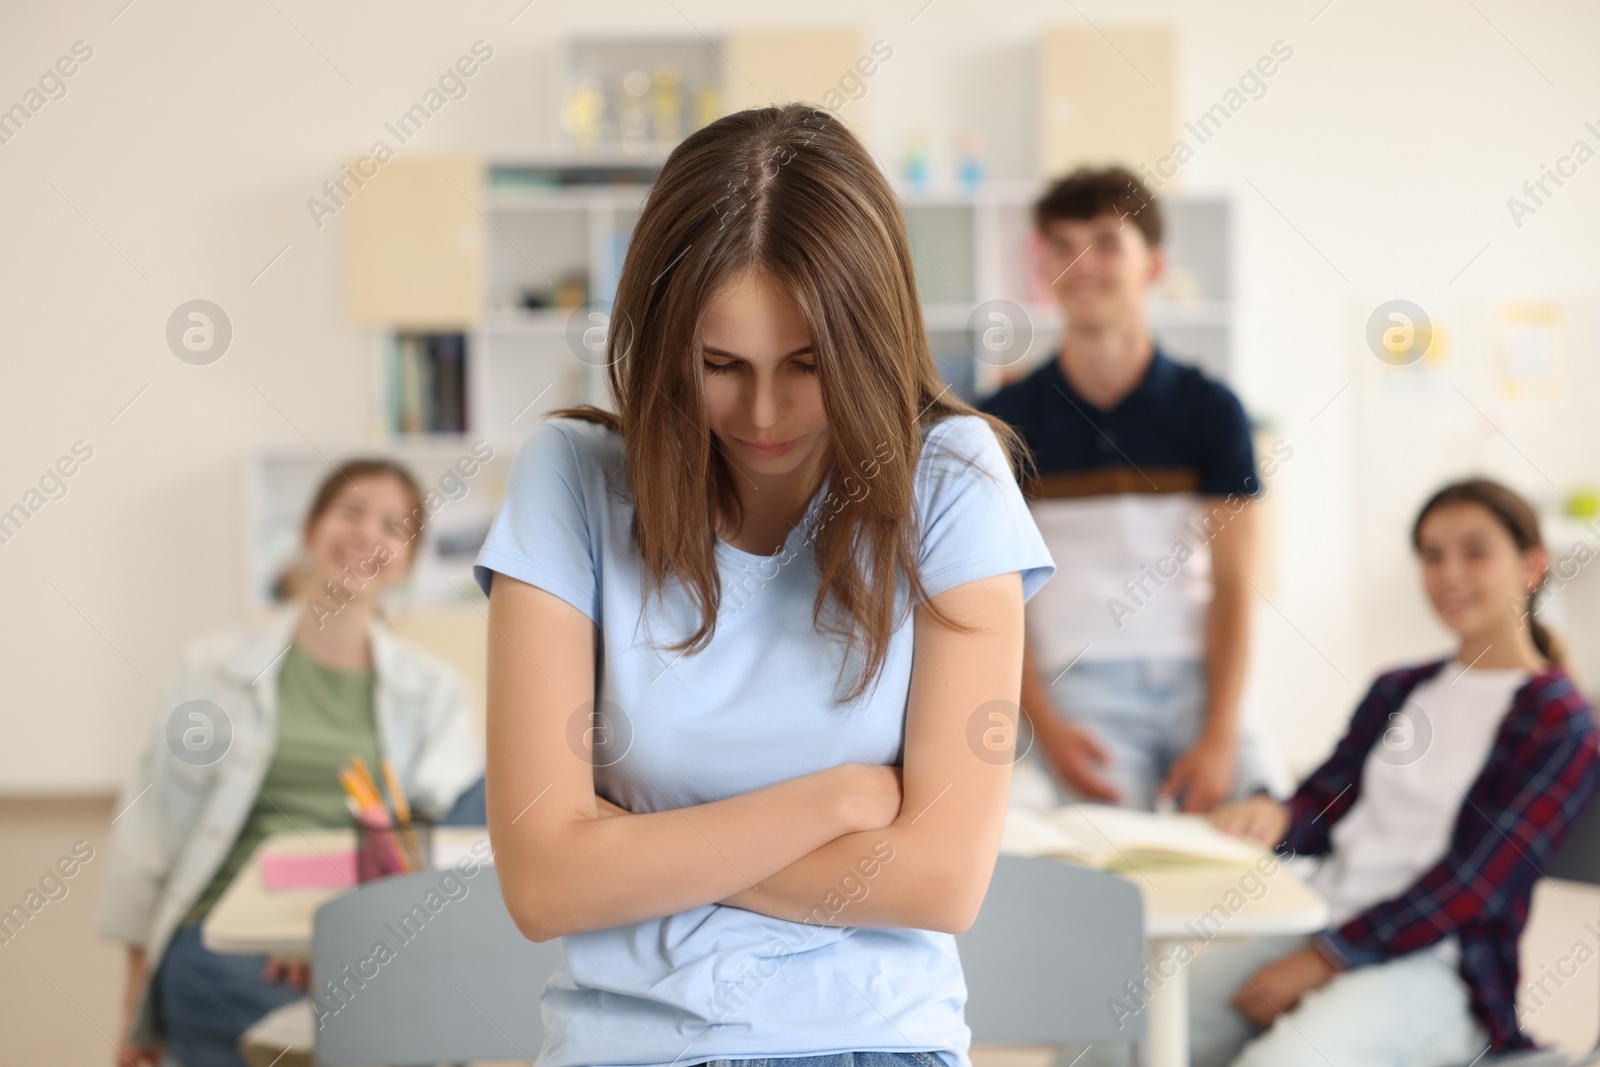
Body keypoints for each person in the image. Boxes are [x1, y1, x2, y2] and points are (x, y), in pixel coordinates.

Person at [472, 104, 1056, 1067]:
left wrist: (632, 851)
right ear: (663, 348)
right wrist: (836, 801)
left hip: (875, 1045)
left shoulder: (953, 480)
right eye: (719, 365)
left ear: (868, 345)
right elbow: (541, 885)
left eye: (807, 363)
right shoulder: (568, 477)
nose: (765, 413)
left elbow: (943, 879)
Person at [1195, 477, 1599, 1067]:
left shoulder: (1561, 723)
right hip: (1318, 917)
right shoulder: (1398, 688)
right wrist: (1275, 813)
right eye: (1432, 555)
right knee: (1129, 1034)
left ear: (1532, 566)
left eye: (1475, 552)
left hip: (1438, 969)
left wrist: (1327, 960)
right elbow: (1324, 804)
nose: (1449, 574)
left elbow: (1475, 882)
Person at [98, 459, 486, 1067]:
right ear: (309, 530)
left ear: (408, 560)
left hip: (360, 932)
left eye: (391, 525)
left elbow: (435, 847)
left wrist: (326, 937)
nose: (365, 534)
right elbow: (148, 835)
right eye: (349, 512)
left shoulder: (437, 691)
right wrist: (133, 1007)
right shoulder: (209, 667)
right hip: (222, 937)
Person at [979, 165, 1281, 813]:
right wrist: (1045, 726)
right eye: (1062, 246)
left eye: (1107, 243)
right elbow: (998, 596)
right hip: (1078, 686)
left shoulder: (1212, 409)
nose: (1081, 263)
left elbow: (1234, 586)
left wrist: (1221, 734)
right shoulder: (1003, 421)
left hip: (1199, 677)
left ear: (1155, 266)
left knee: (1263, 829)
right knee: (1122, 871)